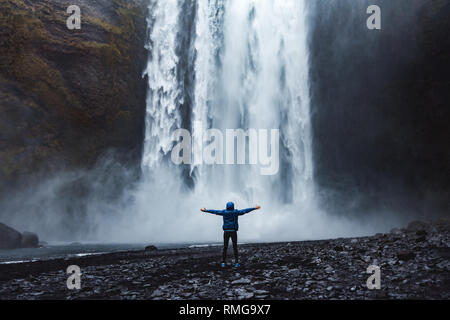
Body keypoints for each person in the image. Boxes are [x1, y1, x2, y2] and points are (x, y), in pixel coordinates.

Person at [201, 202, 261, 267]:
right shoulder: (236, 212)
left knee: (225, 247)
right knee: (235, 247)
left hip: (226, 232)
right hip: (233, 232)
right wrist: (254, 208)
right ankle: (236, 263)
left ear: (226, 206)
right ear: (233, 206)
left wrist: (205, 210)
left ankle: (223, 262)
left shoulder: (224, 212)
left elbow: (214, 211)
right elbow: (245, 210)